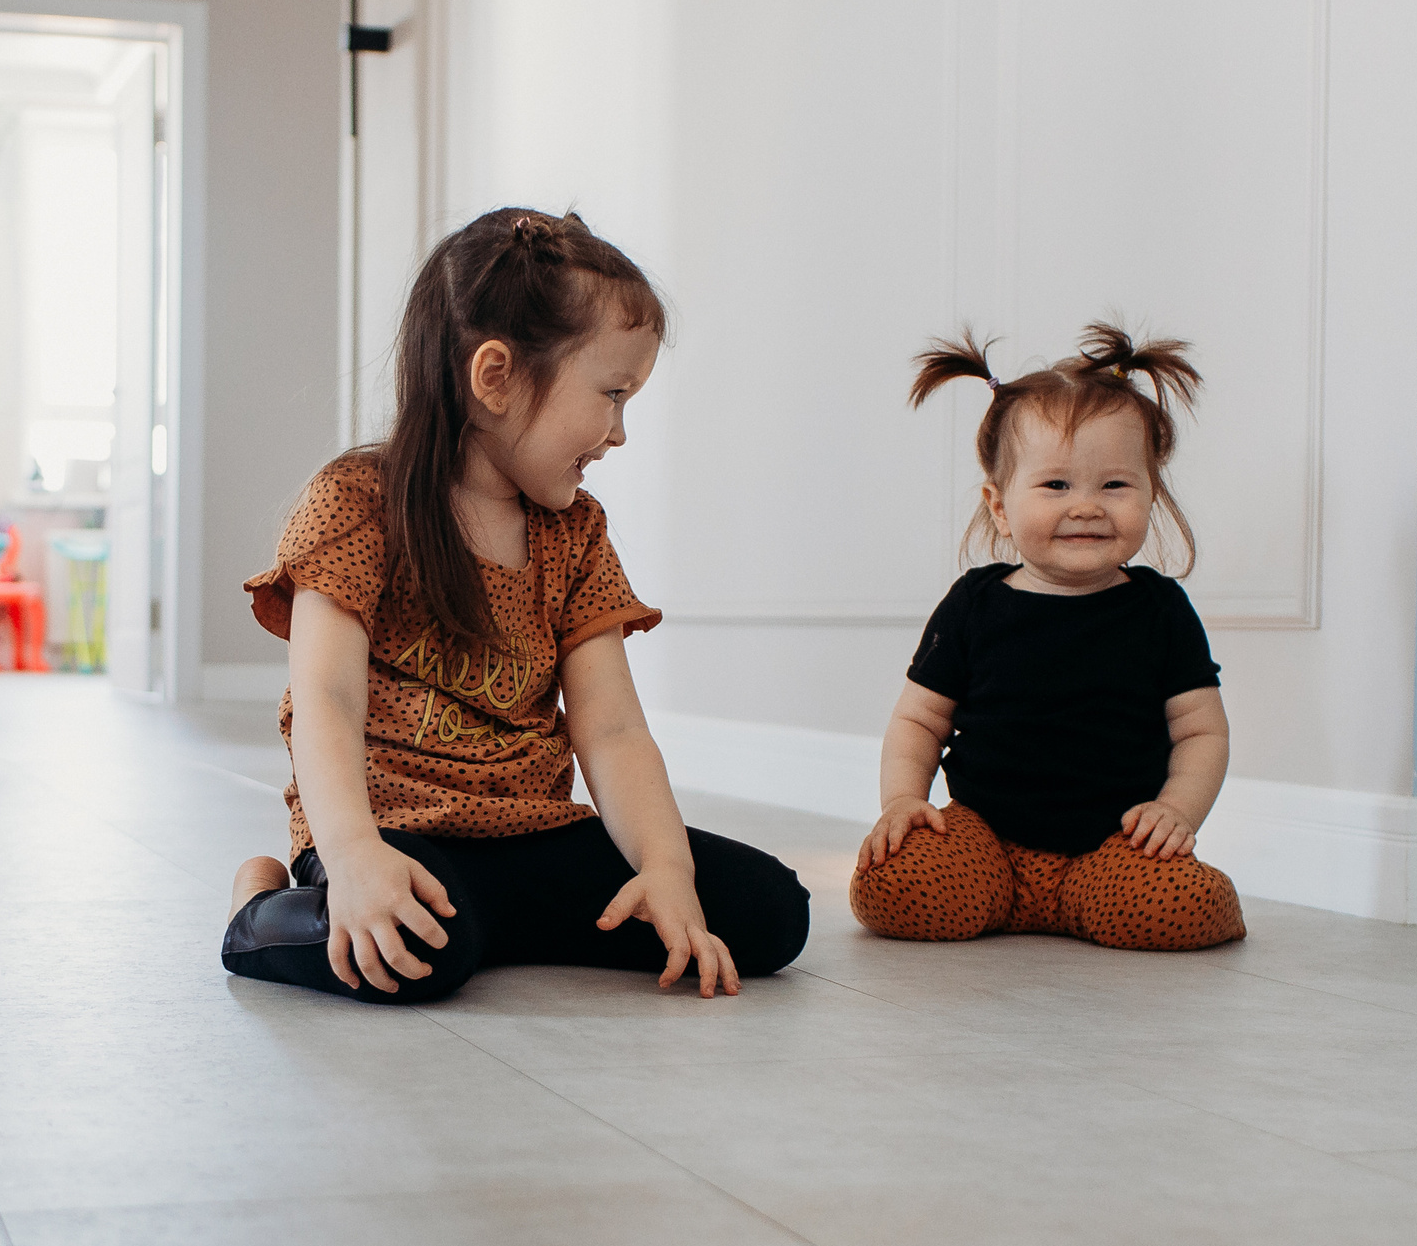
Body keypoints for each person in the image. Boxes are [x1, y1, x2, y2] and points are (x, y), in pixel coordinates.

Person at [221, 208, 809, 1005]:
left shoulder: (576, 532)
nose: (619, 433)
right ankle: (260, 910)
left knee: (771, 912)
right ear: (495, 377)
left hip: (533, 832)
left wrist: (665, 867)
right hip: (394, 830)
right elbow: (325, 699)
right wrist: (354, 853)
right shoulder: (356, 504)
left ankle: (501, 926)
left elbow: (612, 729)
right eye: (612, 394)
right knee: (417, 952)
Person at [848, 323, 1248, 951]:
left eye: (1115, 485)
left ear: (1150, 494)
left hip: (1114, 846)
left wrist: (1175, 811)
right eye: (1056, 485)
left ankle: (1093, 903)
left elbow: (1202, 732)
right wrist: (902, 800)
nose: (1086, 506)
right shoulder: (974, 605)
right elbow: (919, 720)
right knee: (894, 883)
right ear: (1000, 506)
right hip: (983, 839)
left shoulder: (1159, 610)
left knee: (1185, 906)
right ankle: (992, 896)